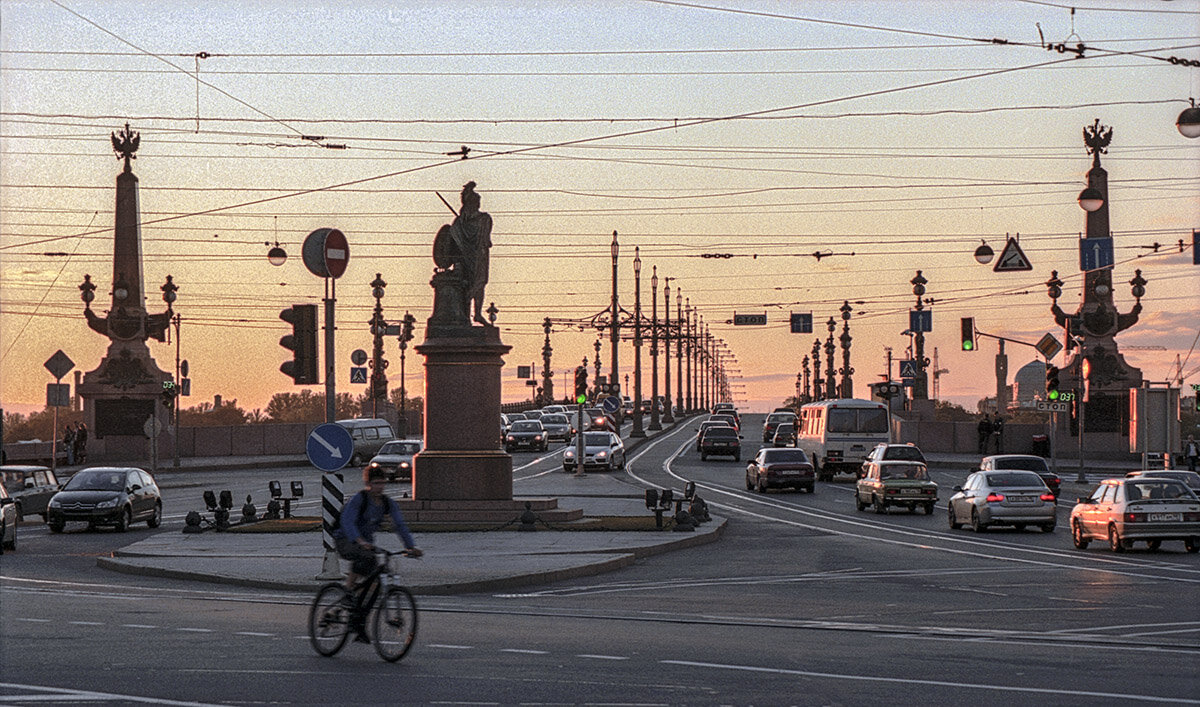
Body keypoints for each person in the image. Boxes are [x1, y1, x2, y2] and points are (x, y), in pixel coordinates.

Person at [333, 466, 422, 642]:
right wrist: (359, 541)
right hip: (345, 539)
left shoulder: (388, 503)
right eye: (376, 483)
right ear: (368, 484)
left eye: (382, 483)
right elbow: (347, 521)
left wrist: (411, 546)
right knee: (363, 557)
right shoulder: (360, 499)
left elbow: (400, 525)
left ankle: (359, 623)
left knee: (376, 582)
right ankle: (347, 592)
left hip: (366, 544)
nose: (380, 487)